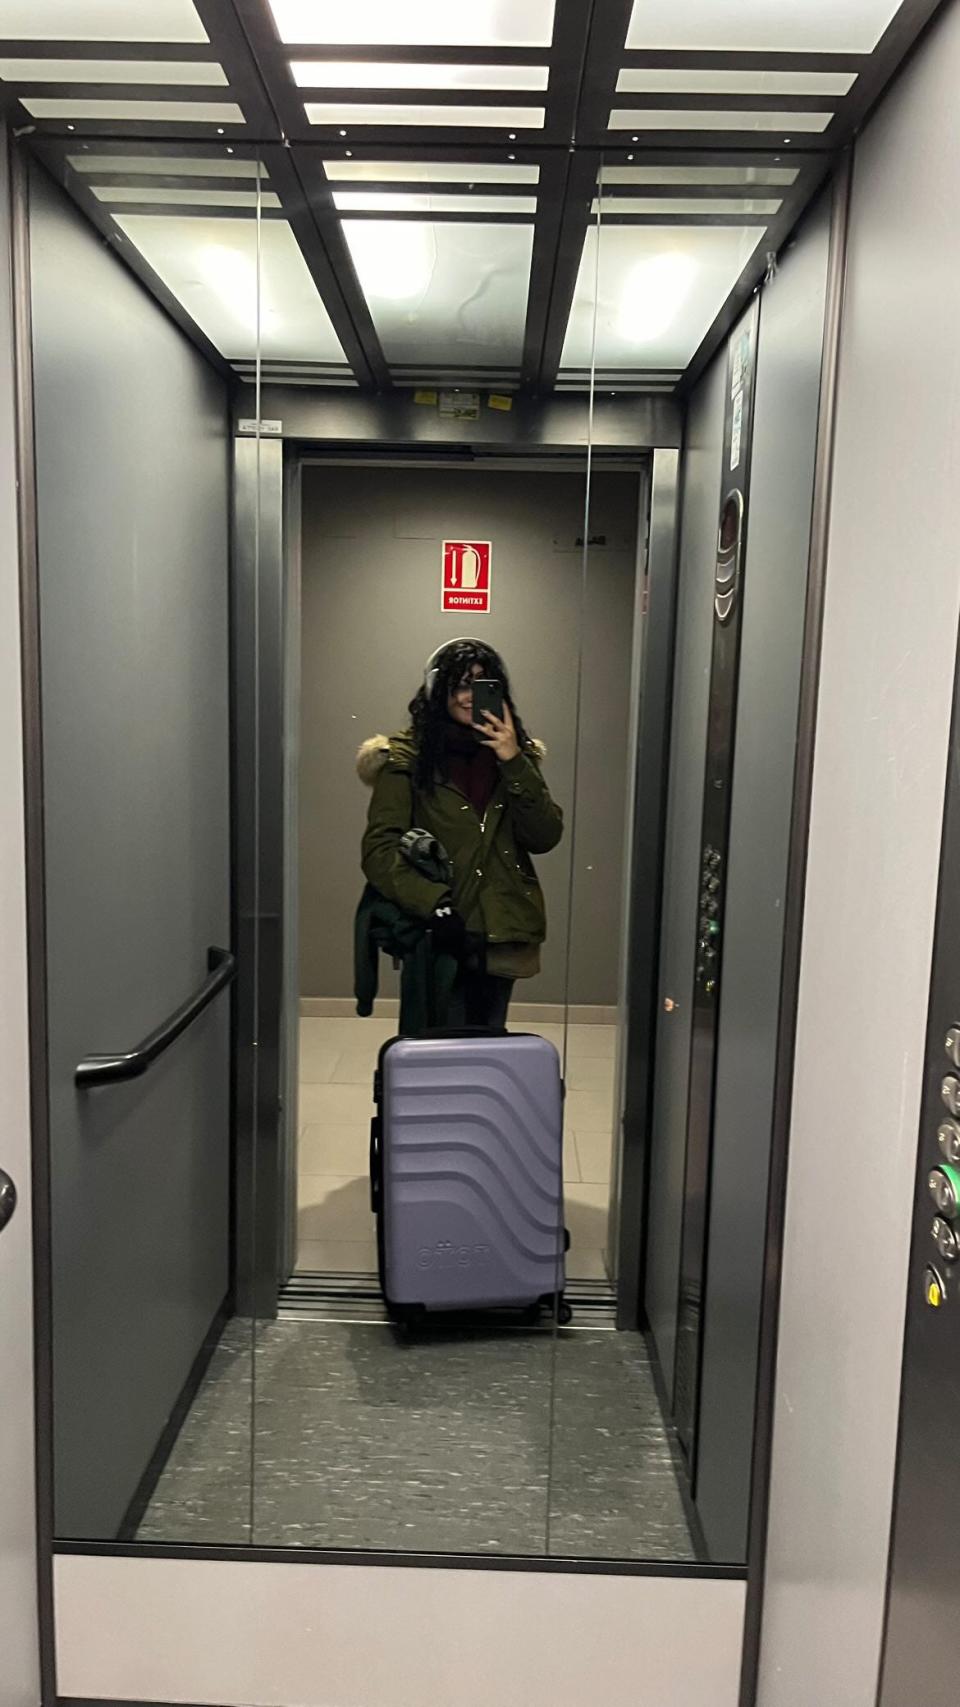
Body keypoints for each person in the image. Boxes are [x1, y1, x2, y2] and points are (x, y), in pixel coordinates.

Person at [357, 637, 563, 1029]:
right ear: (438, 691)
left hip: (502, 931)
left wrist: (514, 761)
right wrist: (434, 903)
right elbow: (379, 849)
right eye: (460, 684)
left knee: (488, 1052)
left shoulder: (518, 757)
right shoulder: (406, 758)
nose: (471, 697)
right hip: (439, 933)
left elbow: (544, 836)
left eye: (483, 685)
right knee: (437, 1050)